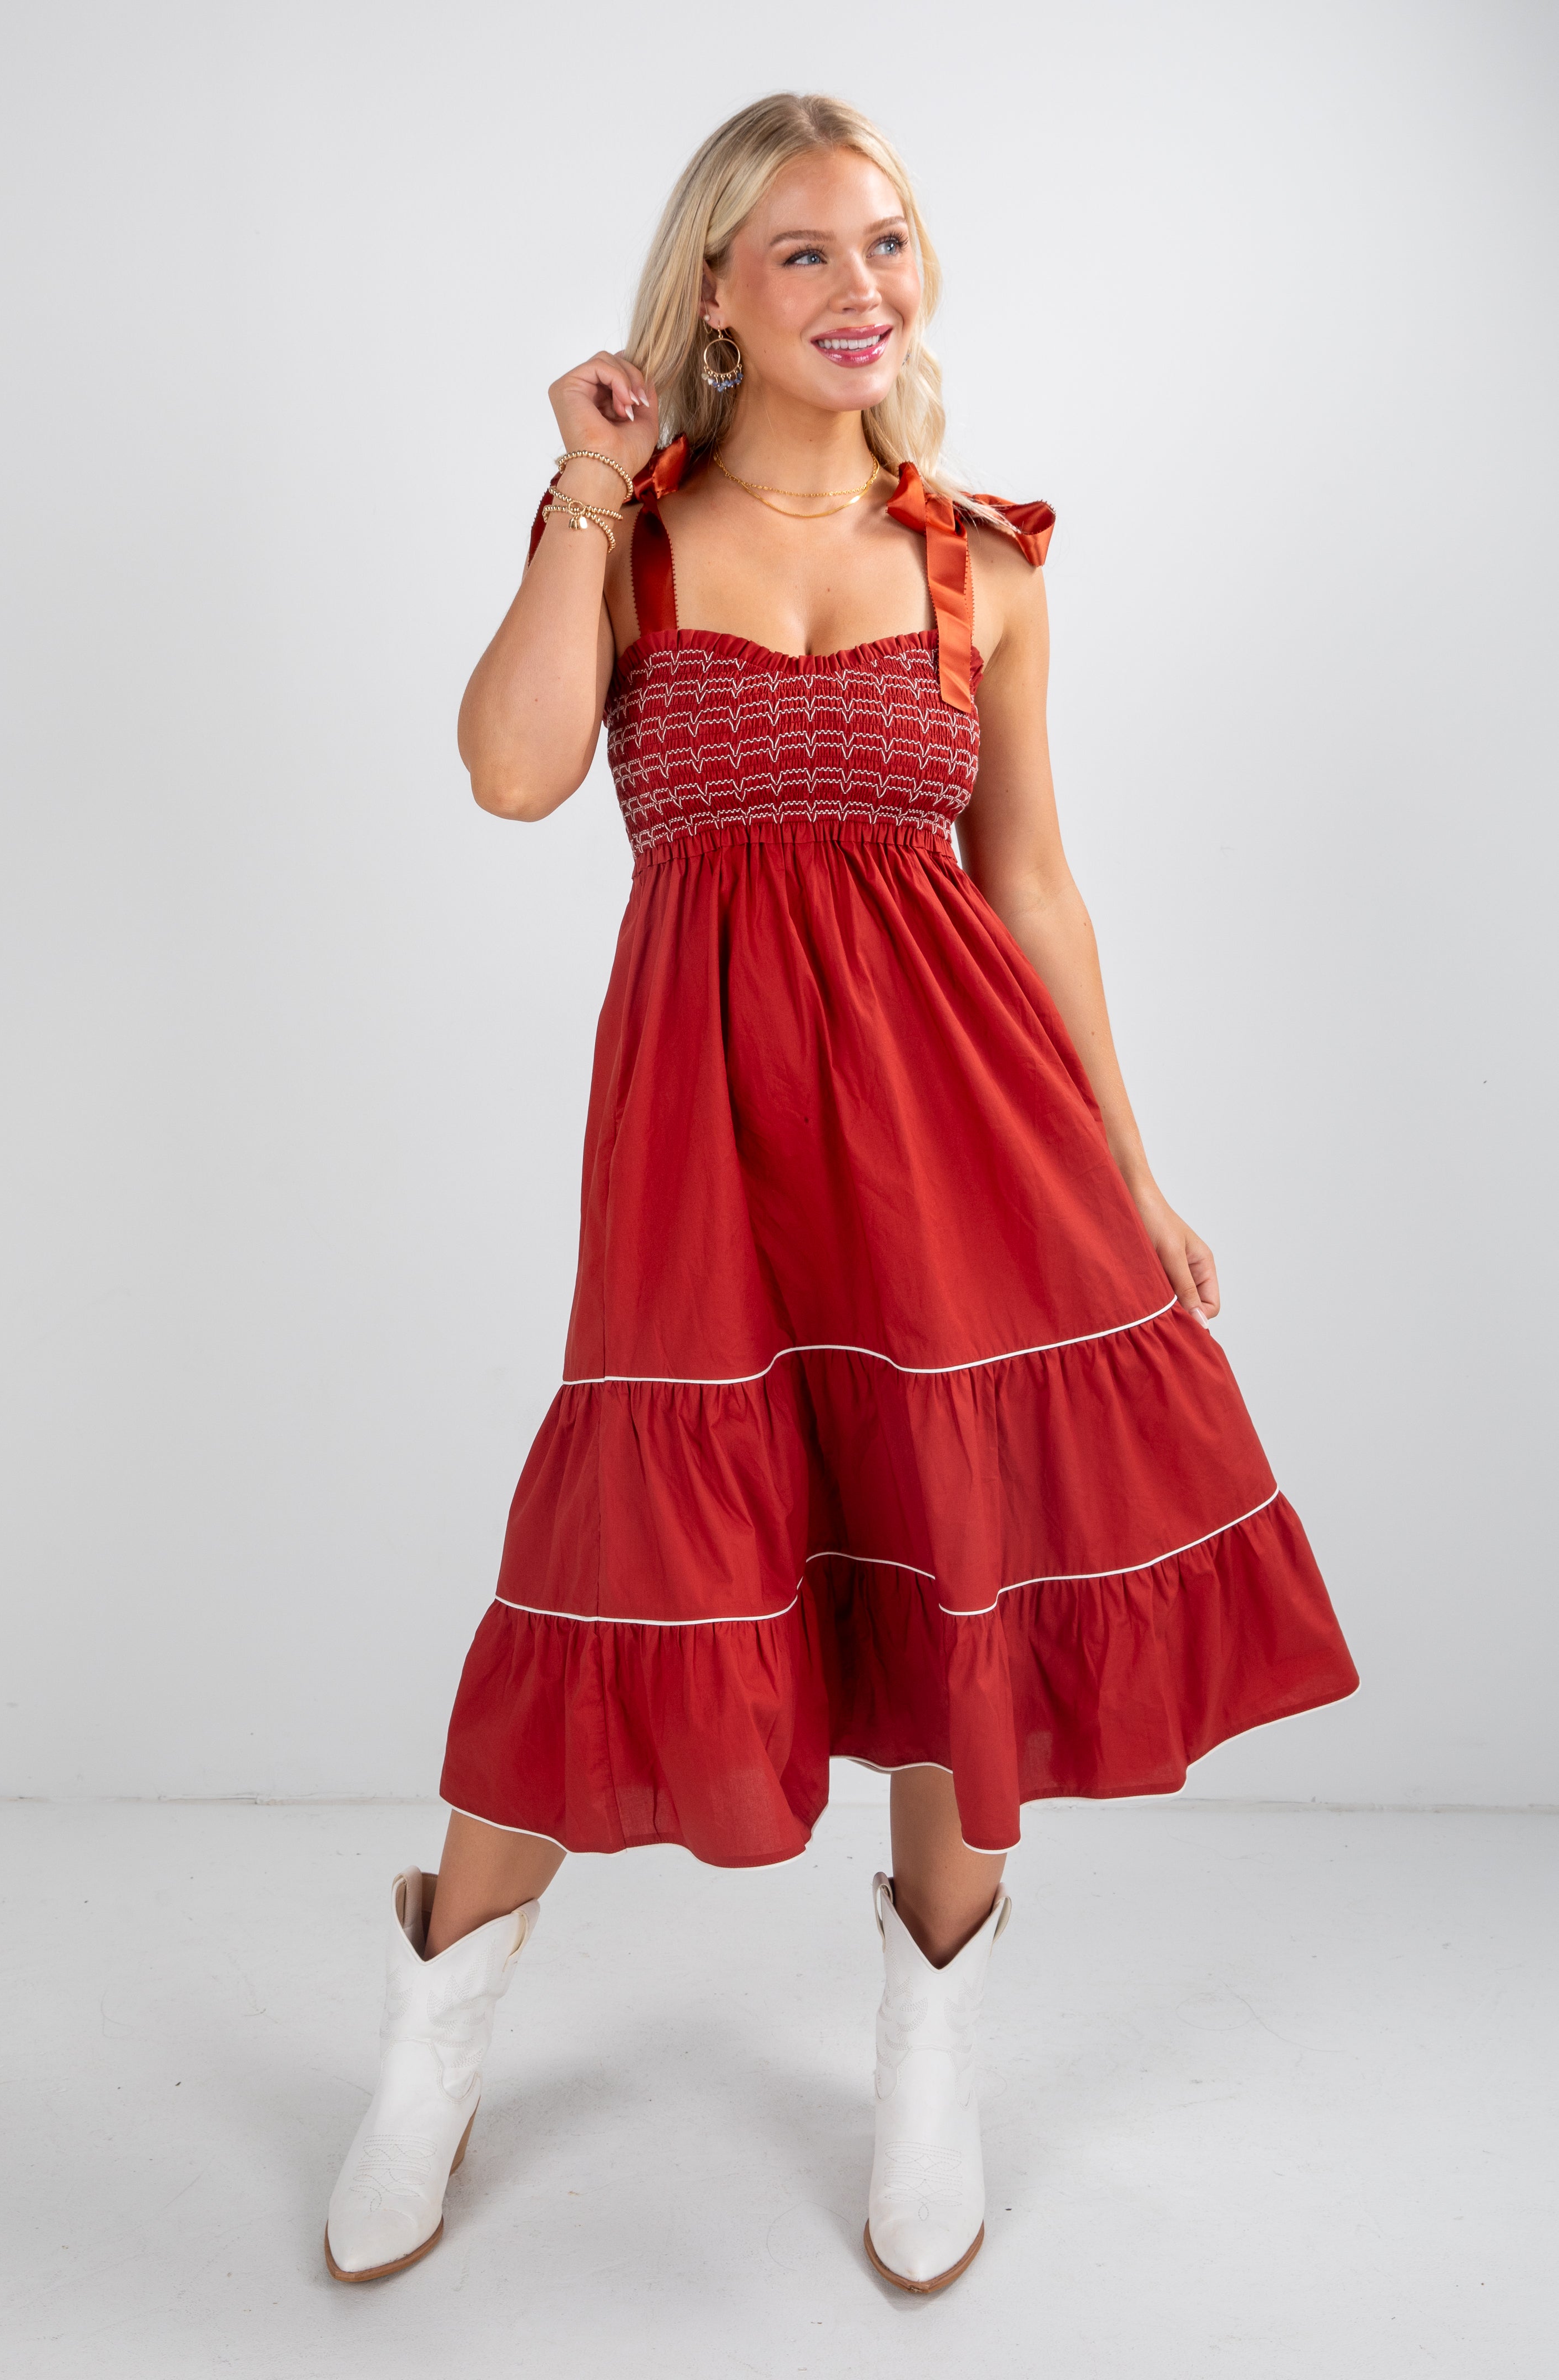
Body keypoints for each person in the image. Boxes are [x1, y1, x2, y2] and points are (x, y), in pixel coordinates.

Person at [323, 91, 1358, 2296]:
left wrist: (1133, 1164)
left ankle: (929, 2060)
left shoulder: (984, 553)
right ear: (713, 292)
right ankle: (432, 2040)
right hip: (700, 1143)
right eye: (800, 252)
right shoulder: (630, 518)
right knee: (620, 1537)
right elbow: (513, 772)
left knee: (952, 1548)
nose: (857, 286)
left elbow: (1037, 886)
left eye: (885, 243)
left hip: (962, 1127)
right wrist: (586, 498)